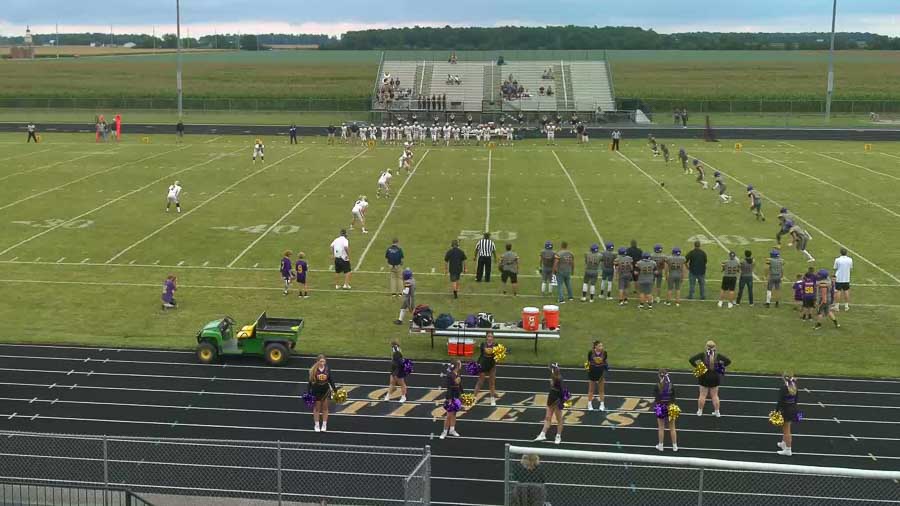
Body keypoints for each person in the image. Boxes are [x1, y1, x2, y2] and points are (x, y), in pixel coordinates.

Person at [689, 340, 731, 417]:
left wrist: (698, 367)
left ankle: (700, 411)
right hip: (715, 376)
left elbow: (691, 360)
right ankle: (717, 412)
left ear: (706, 347)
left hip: (704, 376)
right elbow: (728, 361)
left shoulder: (702, 354)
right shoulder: (718, 355)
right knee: (715, 395)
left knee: (702, 395)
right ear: (714, 347)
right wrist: (720, 366)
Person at [533, 363, 566, 444]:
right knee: (548, 418)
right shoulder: (555, 377)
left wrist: (561, 401)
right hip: (551, 399)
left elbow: (562, 392)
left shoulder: (558, 379)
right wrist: (553, 367)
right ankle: (543, 434)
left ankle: (558, 436)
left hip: (557, 401)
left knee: (559, 419)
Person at [307, 355, 337, 432]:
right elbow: (310, 382)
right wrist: (308, 392)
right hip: (316, 390)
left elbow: (331, 380)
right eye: (320, 361)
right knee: (317, 408)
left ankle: (324, 424)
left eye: (323, 361)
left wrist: (335, 390)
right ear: (317, 361)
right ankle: (316, 425)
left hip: (325, 390)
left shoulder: (327, 369)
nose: (322, 363)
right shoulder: (314, 370)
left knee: (325, 408)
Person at [653, 369, 678, 452]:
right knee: (673, 427)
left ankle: (661, 446)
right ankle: (675, 446)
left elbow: (656, 399)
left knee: (661, 427)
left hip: (660, 407)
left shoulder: (657, 386)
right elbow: (674, 398)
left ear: (659, 376)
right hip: (672, 406)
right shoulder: (671, 385)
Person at [776, 372, 800, 456]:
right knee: (786, 428)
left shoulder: (784, 388)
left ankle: (788, 450)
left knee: (787, 431)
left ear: (784, 378)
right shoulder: (794, 386)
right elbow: (796, 400)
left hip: (786, 411)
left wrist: (776, 411)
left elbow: (780, 401)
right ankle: (783, 443)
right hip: (793, 409)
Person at [474, 332, 499, 406]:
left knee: (492, 383)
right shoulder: (483, 344)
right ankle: (474, 398)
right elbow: (485, 353)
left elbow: (497, 355)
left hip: (492, 365)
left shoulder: (496, 345)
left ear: (493, 338)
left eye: (491, 337)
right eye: (488, 336)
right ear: (486, 337)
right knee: (480, 382)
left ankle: (492, 399)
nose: (490, 338)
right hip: (483, 364)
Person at [440, 360, 463, 439]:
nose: (461, 365)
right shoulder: (450, 375)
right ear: (457, 366)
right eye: (460, 364)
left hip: (456, 396)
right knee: (449, 415)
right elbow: (449, 388)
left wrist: (462, 395)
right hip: (451, 396)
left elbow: (460, 386)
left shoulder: (457, 374)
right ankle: (444, 431)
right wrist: (449, 399)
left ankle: (452, 429)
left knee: (454, 413)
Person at [586, 341, 608, 411]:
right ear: (595, 346)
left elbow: (604, 362)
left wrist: (605, 370)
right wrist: (589, 369)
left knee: (601, 390)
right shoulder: (591, 352)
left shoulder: (604, 353)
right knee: (591, 390)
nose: (601, 347)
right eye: (600, 346)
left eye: (602, 346)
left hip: (600, 373)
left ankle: (602, 404)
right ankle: (589, 404)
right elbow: (589, 361)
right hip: (592, 373)